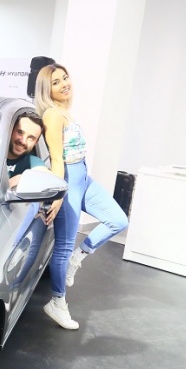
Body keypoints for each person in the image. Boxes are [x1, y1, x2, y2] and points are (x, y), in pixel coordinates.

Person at [34, 63, 128, 329]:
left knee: (118, 220)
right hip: (68, 180)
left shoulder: (64, 111)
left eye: (65, 78)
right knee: (63, 247)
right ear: (46, 89)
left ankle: (78, 258)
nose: (64, 84)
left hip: (83, 177)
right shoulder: (53, 115)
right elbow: (56, 159)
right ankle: (57, 303)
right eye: (56, 82)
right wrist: (58, 194)